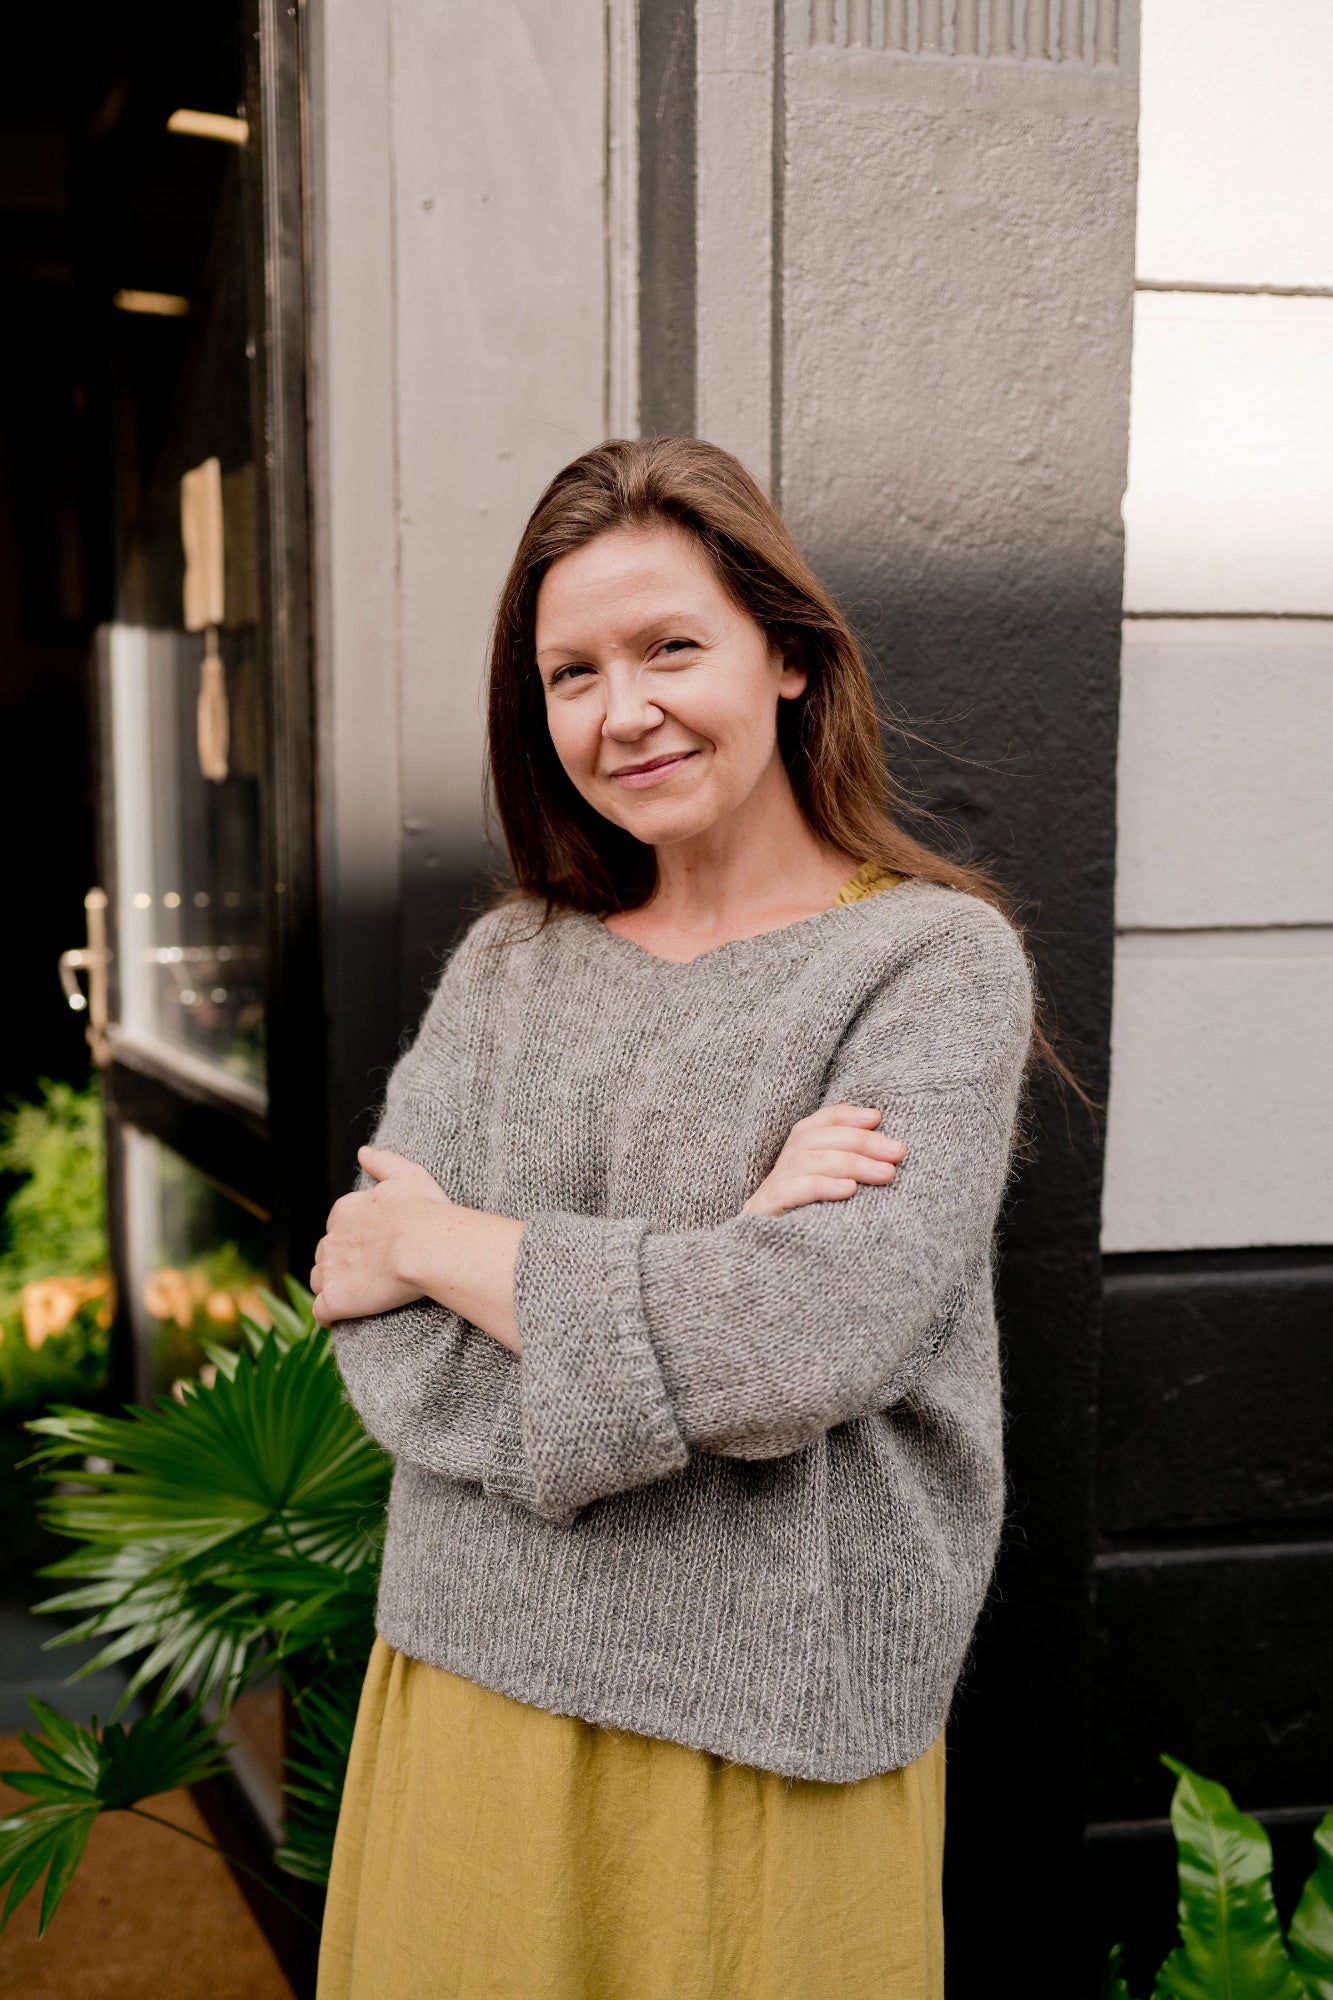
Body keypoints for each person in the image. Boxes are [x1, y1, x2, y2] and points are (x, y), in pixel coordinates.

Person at [312, 436, 1040, 2000]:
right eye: (570, 672)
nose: (620, 710)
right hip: (471, 1679)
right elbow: (389, 1359)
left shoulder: (926, 967)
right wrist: (714, 1269)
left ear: (784, 655)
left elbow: (804, 1345)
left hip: (771, 1721)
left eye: (668, 648)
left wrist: (447, 1247)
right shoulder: (510, 965)